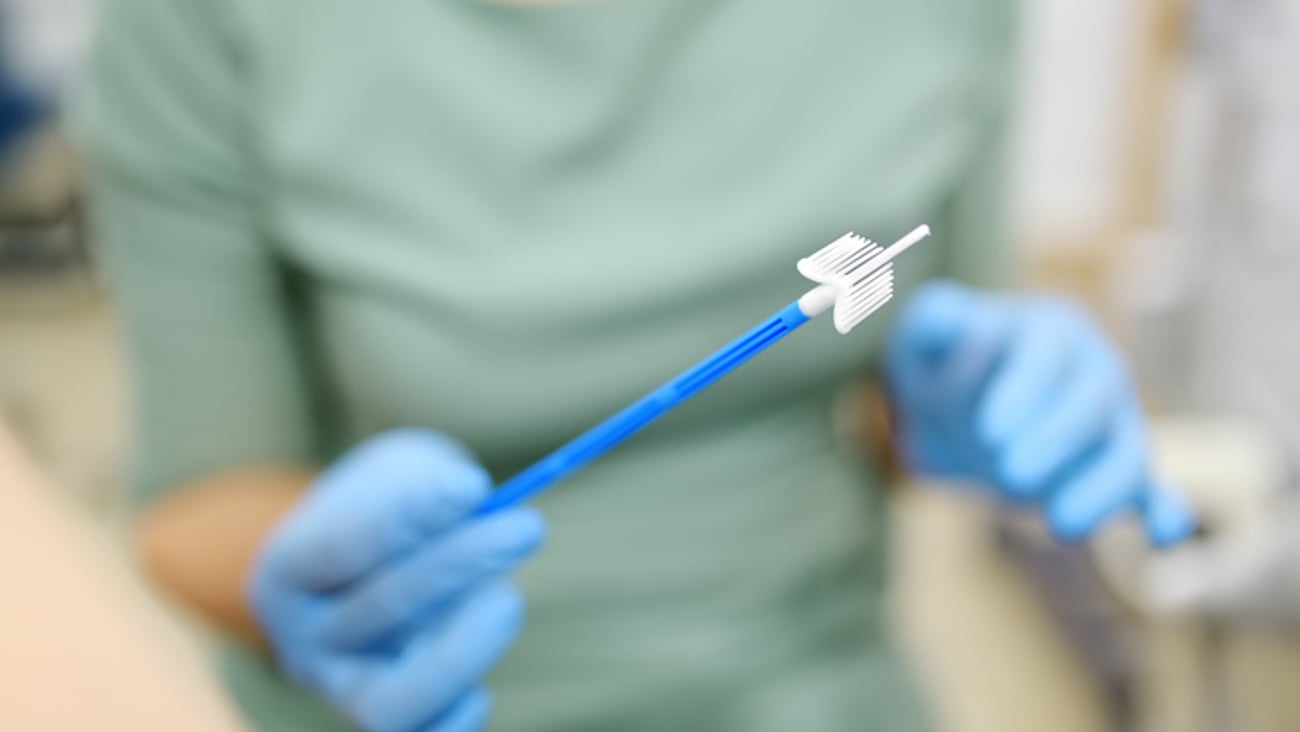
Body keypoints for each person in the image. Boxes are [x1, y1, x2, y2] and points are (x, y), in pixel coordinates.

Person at [74, 0, 1192, 730]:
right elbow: (195, 493)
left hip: (811, 689)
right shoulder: (207, 23)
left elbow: (898, 380)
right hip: (408, 704)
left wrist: (967, 406)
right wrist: (319, 589)